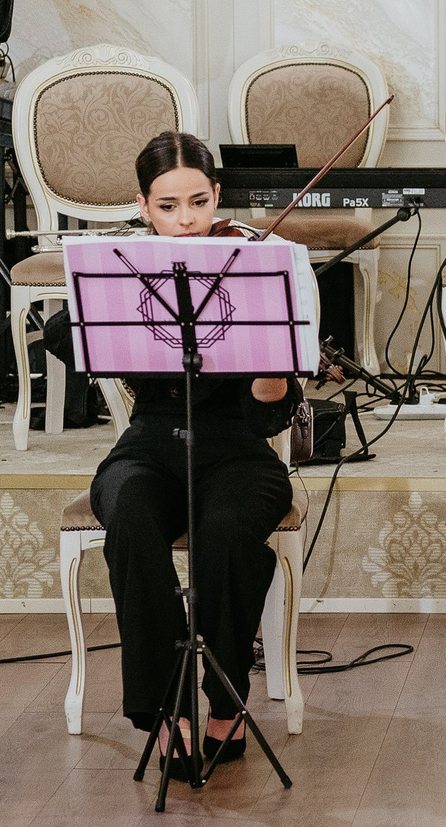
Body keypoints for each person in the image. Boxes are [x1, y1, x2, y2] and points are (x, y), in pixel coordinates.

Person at [52, 132, 299, 775]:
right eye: (167, 206)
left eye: (197, 202)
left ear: (218, 196)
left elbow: (269, 411)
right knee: (130, 516)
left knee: (228, 528)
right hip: (149, 446)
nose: (186, 220)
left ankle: (224, 705)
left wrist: (272, 366)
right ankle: (165, 711)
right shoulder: (129, 268)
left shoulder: (251, 265)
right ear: (143, 206)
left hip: (239, 452)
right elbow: (60, 333)